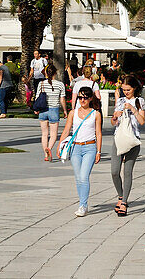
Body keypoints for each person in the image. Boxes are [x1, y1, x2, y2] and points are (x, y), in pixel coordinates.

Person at [56, 86, 102, 217]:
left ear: (90, 98)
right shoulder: (73, 113)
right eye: (80, 97)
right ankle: (83, 204)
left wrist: (99, 151)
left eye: (85, 97)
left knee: (83, 177)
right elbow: (66, 130)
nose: (82, 100)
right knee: (78, 178)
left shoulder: (95, 114)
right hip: (75, 147)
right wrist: (60, 145)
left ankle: (83, 205)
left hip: (90, 147)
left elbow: (98, 133)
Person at [111, 75, 145, 216]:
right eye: (123, 89)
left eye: (128, 90)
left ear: (135, 88)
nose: (125, 92)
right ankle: (121, 196)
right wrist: (115, 116)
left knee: (127, 171)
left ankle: (124, 203)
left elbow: (142, 121)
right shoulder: (119, 101)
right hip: (118, 138)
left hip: (133, 140)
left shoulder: (140, 101)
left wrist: (133, 108)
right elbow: (114, 122)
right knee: (114, 171)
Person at [36, 65, 67, 162]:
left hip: (43, 109)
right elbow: (62, 99)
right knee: (53, 134)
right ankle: (49, 147)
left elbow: (37, 97)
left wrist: (36, 108)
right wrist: (65, 110)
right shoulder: (60, 84)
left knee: (44, 134)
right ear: (55, 73)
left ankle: (46, 154)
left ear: (46, 73)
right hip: (54, 110)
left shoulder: (41, 84)